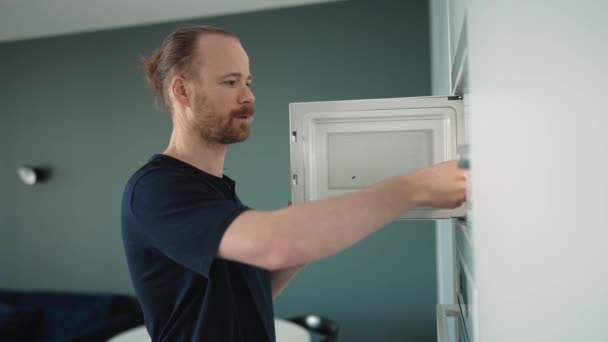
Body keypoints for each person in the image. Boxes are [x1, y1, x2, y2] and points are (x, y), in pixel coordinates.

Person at [121, 25, 466, 342]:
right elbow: (275, 243)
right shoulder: (156, 189)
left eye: (248, 82)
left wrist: (299, 249)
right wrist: (415, 188)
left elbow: (243, 292)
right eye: (230, 82)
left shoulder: (216, 190)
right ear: (182, 90)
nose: (248, 97)